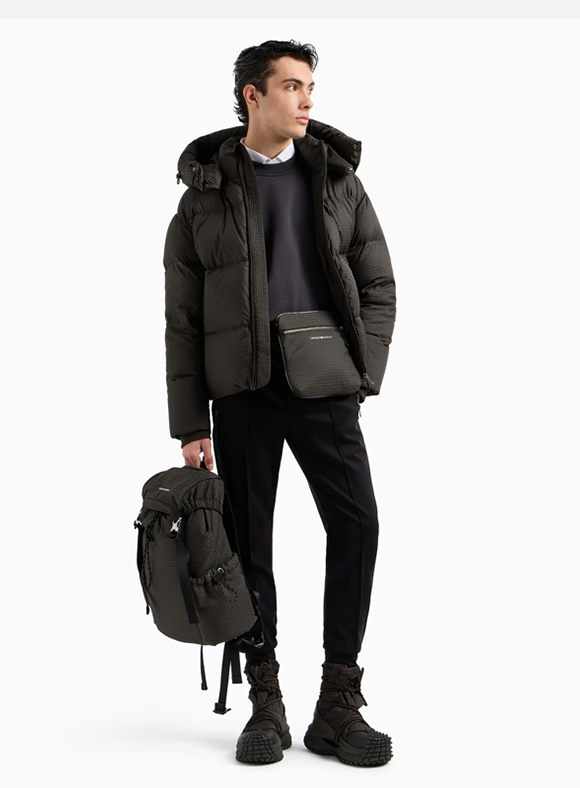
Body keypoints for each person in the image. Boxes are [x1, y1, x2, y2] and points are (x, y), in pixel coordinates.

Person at [163, 39, 396, 767]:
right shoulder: (203, 196)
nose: (307, 99)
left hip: (326, 386)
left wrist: (361, 373)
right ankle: (265, 697)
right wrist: (190, 424)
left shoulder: (338, 181)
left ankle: (338, 701)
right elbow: (182, 321)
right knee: (248, 543)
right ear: (252, 96)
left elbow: (379, 284)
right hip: (243, 393)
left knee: (357, 525)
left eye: (310, 86)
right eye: (292, 86)